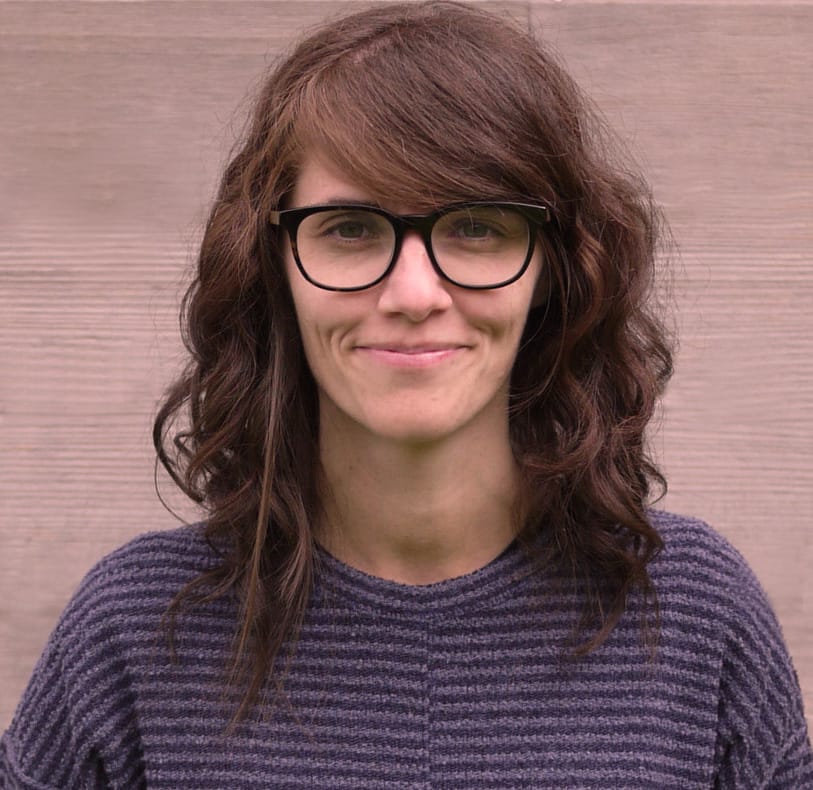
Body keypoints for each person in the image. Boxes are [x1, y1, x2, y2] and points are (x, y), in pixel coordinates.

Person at [2, 1, 811, 787]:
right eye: (351, 229)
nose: (414, 293)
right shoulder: (138, 627)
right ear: (272, 268)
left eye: (476, 226)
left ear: (552, 268)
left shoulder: (693, 614)